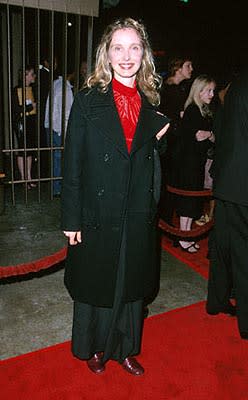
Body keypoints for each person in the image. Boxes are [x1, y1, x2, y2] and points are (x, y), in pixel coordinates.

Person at [61, 17, 169, 376]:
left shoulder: (152, 103)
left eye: (134, 47)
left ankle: (125, 348)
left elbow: (150, 162)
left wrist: (161, 138)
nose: (126, 56)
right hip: (97, 212)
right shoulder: (88, 101)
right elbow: (73, 164)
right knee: (100, 281)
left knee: (131, 282)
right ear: (106, 54)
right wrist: (71, 220)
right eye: (118, 47)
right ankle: (96, 347)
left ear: (144, 54)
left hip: (136, 212)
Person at [206, 70, 248, 340]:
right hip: (243, 185)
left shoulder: (237, 85)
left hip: (226, 181)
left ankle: (216, 301)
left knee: (222, 246)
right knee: (244, 254)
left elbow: (223, 130)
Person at [173, 75, 216, 253]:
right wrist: (208, 135)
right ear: (199, 91)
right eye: (209, 91)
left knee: (192, 201)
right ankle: (183, 237)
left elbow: (208, 137)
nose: (212, 94)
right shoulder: (193, 110)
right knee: (188, 200)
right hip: (188, 164)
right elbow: (196, 137)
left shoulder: (202, 110)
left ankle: (186, 234)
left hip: (195, 163)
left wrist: (209, 135)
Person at [158, 55, 193, 224]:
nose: (191, 69)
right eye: (188, 66)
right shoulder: (171, 91)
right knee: (168, 182)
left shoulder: (174, 89)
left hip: (170, 142)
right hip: (169, 144)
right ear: (178, 68)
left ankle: (165, 219)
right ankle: (165, 220)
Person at [45, 68, 74, 196]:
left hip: (50, 126)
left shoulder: (55, 83)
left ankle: (54, 186)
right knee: (59, 159)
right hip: (59, 130)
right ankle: (57, 189)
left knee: (54, 159)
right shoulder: (66, 90)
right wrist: (67, 133)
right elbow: (66, 115)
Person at [12, 65, 37, 188]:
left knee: (30, 149)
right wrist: (31, 107)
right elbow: (16, 109)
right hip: (21, 123)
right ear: (25, 75)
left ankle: (29, 177)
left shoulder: (31, 89)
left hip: (30, 122)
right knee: (23, 149)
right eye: (32, 74)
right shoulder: (16, 90)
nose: (34, 76)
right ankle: (23, 179)